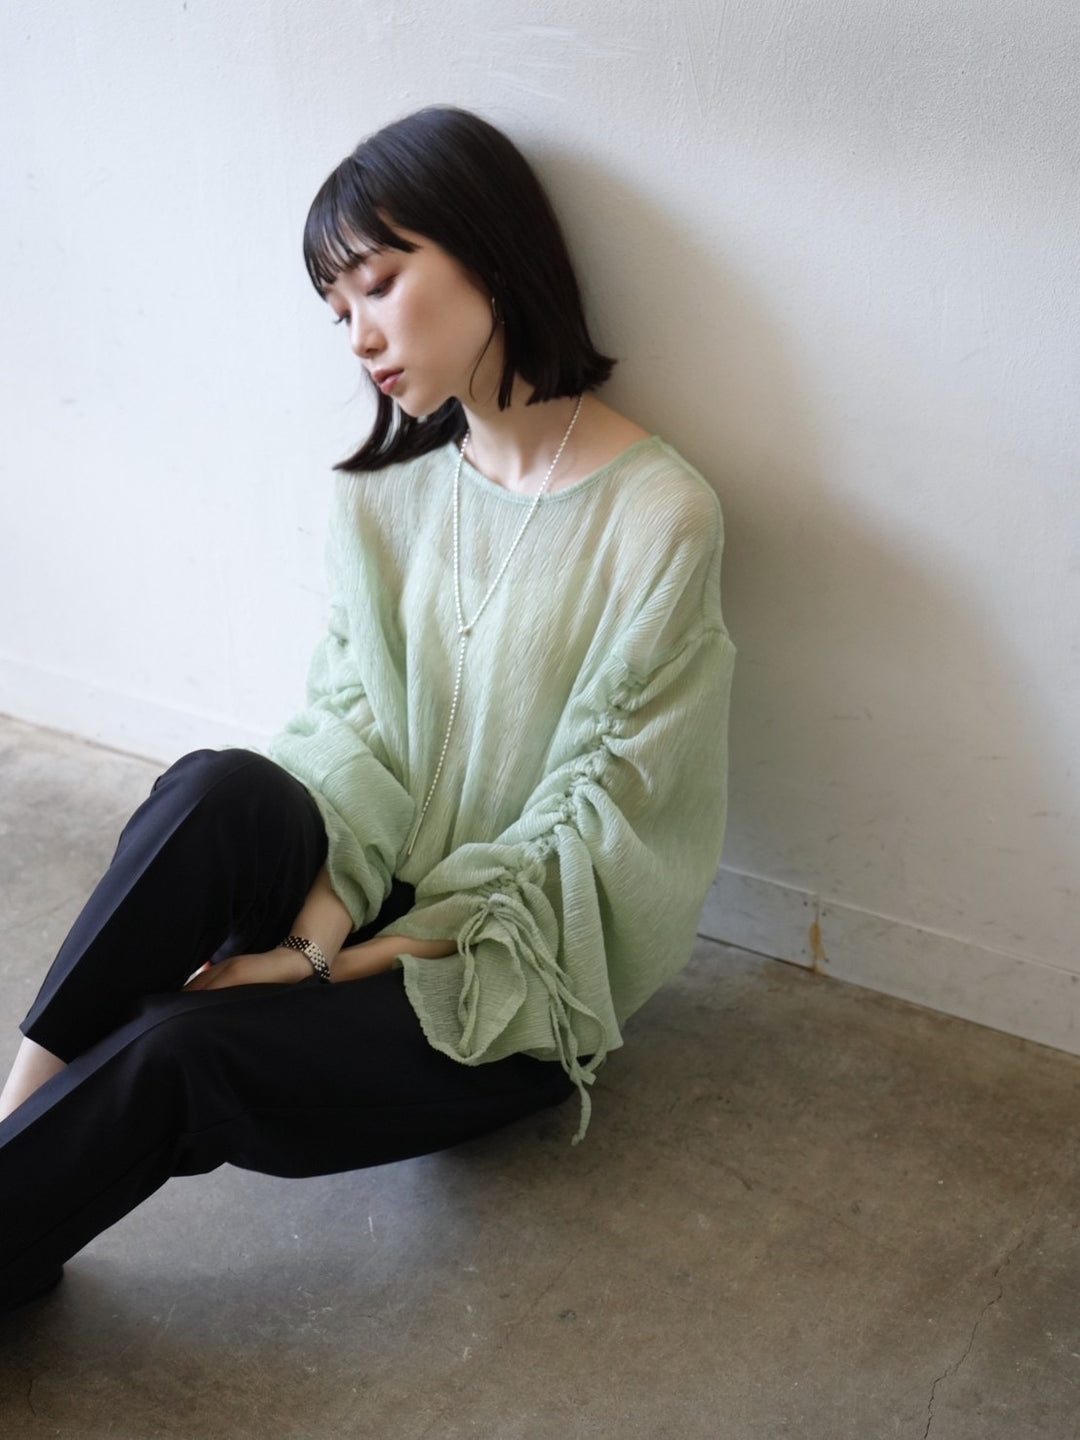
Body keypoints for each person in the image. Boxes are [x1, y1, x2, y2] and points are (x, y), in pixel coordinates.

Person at [0, 106, 736, 1316]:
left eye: (381, 285)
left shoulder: (661, 519)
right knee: (218, 789)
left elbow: (593, 842)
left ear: (489, 252)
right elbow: (353, 739)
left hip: (497, 985)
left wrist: (321, 964)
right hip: (356, 894)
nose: (361, 337)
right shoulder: (384, 502)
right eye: (337, 311)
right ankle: (14, 1145)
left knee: (186, 1047)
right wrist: (312, 932)